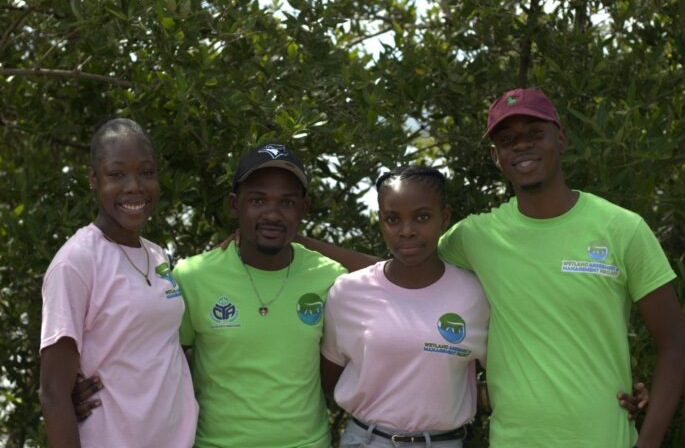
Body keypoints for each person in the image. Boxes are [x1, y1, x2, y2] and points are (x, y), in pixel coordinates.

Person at [437, 88, 685, 448]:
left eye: (535, 133)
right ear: (496, 156)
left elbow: (675, 344)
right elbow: (402, 275)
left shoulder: (622, 228)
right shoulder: (476, 237)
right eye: (508, 140)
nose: (521, 146)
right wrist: (322, 251)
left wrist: (648, 443)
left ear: (562, 138)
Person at [172, 144, 347, 447]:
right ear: (234, 204)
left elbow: (397, 274)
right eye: (257, 200)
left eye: (287, 203)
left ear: (303, 209)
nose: (272, 214)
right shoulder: (192, 277)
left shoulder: (330, 279)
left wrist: (299, 238)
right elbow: (157, 360)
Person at [39, 118, 198, 448]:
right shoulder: (77, 261)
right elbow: (54, 392)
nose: (134, 186)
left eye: (146, 172)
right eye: (116, 174)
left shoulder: (156, 256)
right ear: (93, 181)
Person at [320, 166, 489, 448]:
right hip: (366, 440)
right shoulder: (348, 292)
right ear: (381, 221)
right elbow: (329, 379)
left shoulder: (476, 294)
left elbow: (499, 377)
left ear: (444, 217)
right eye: (392, 219)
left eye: (422, 217)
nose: (407, 231)